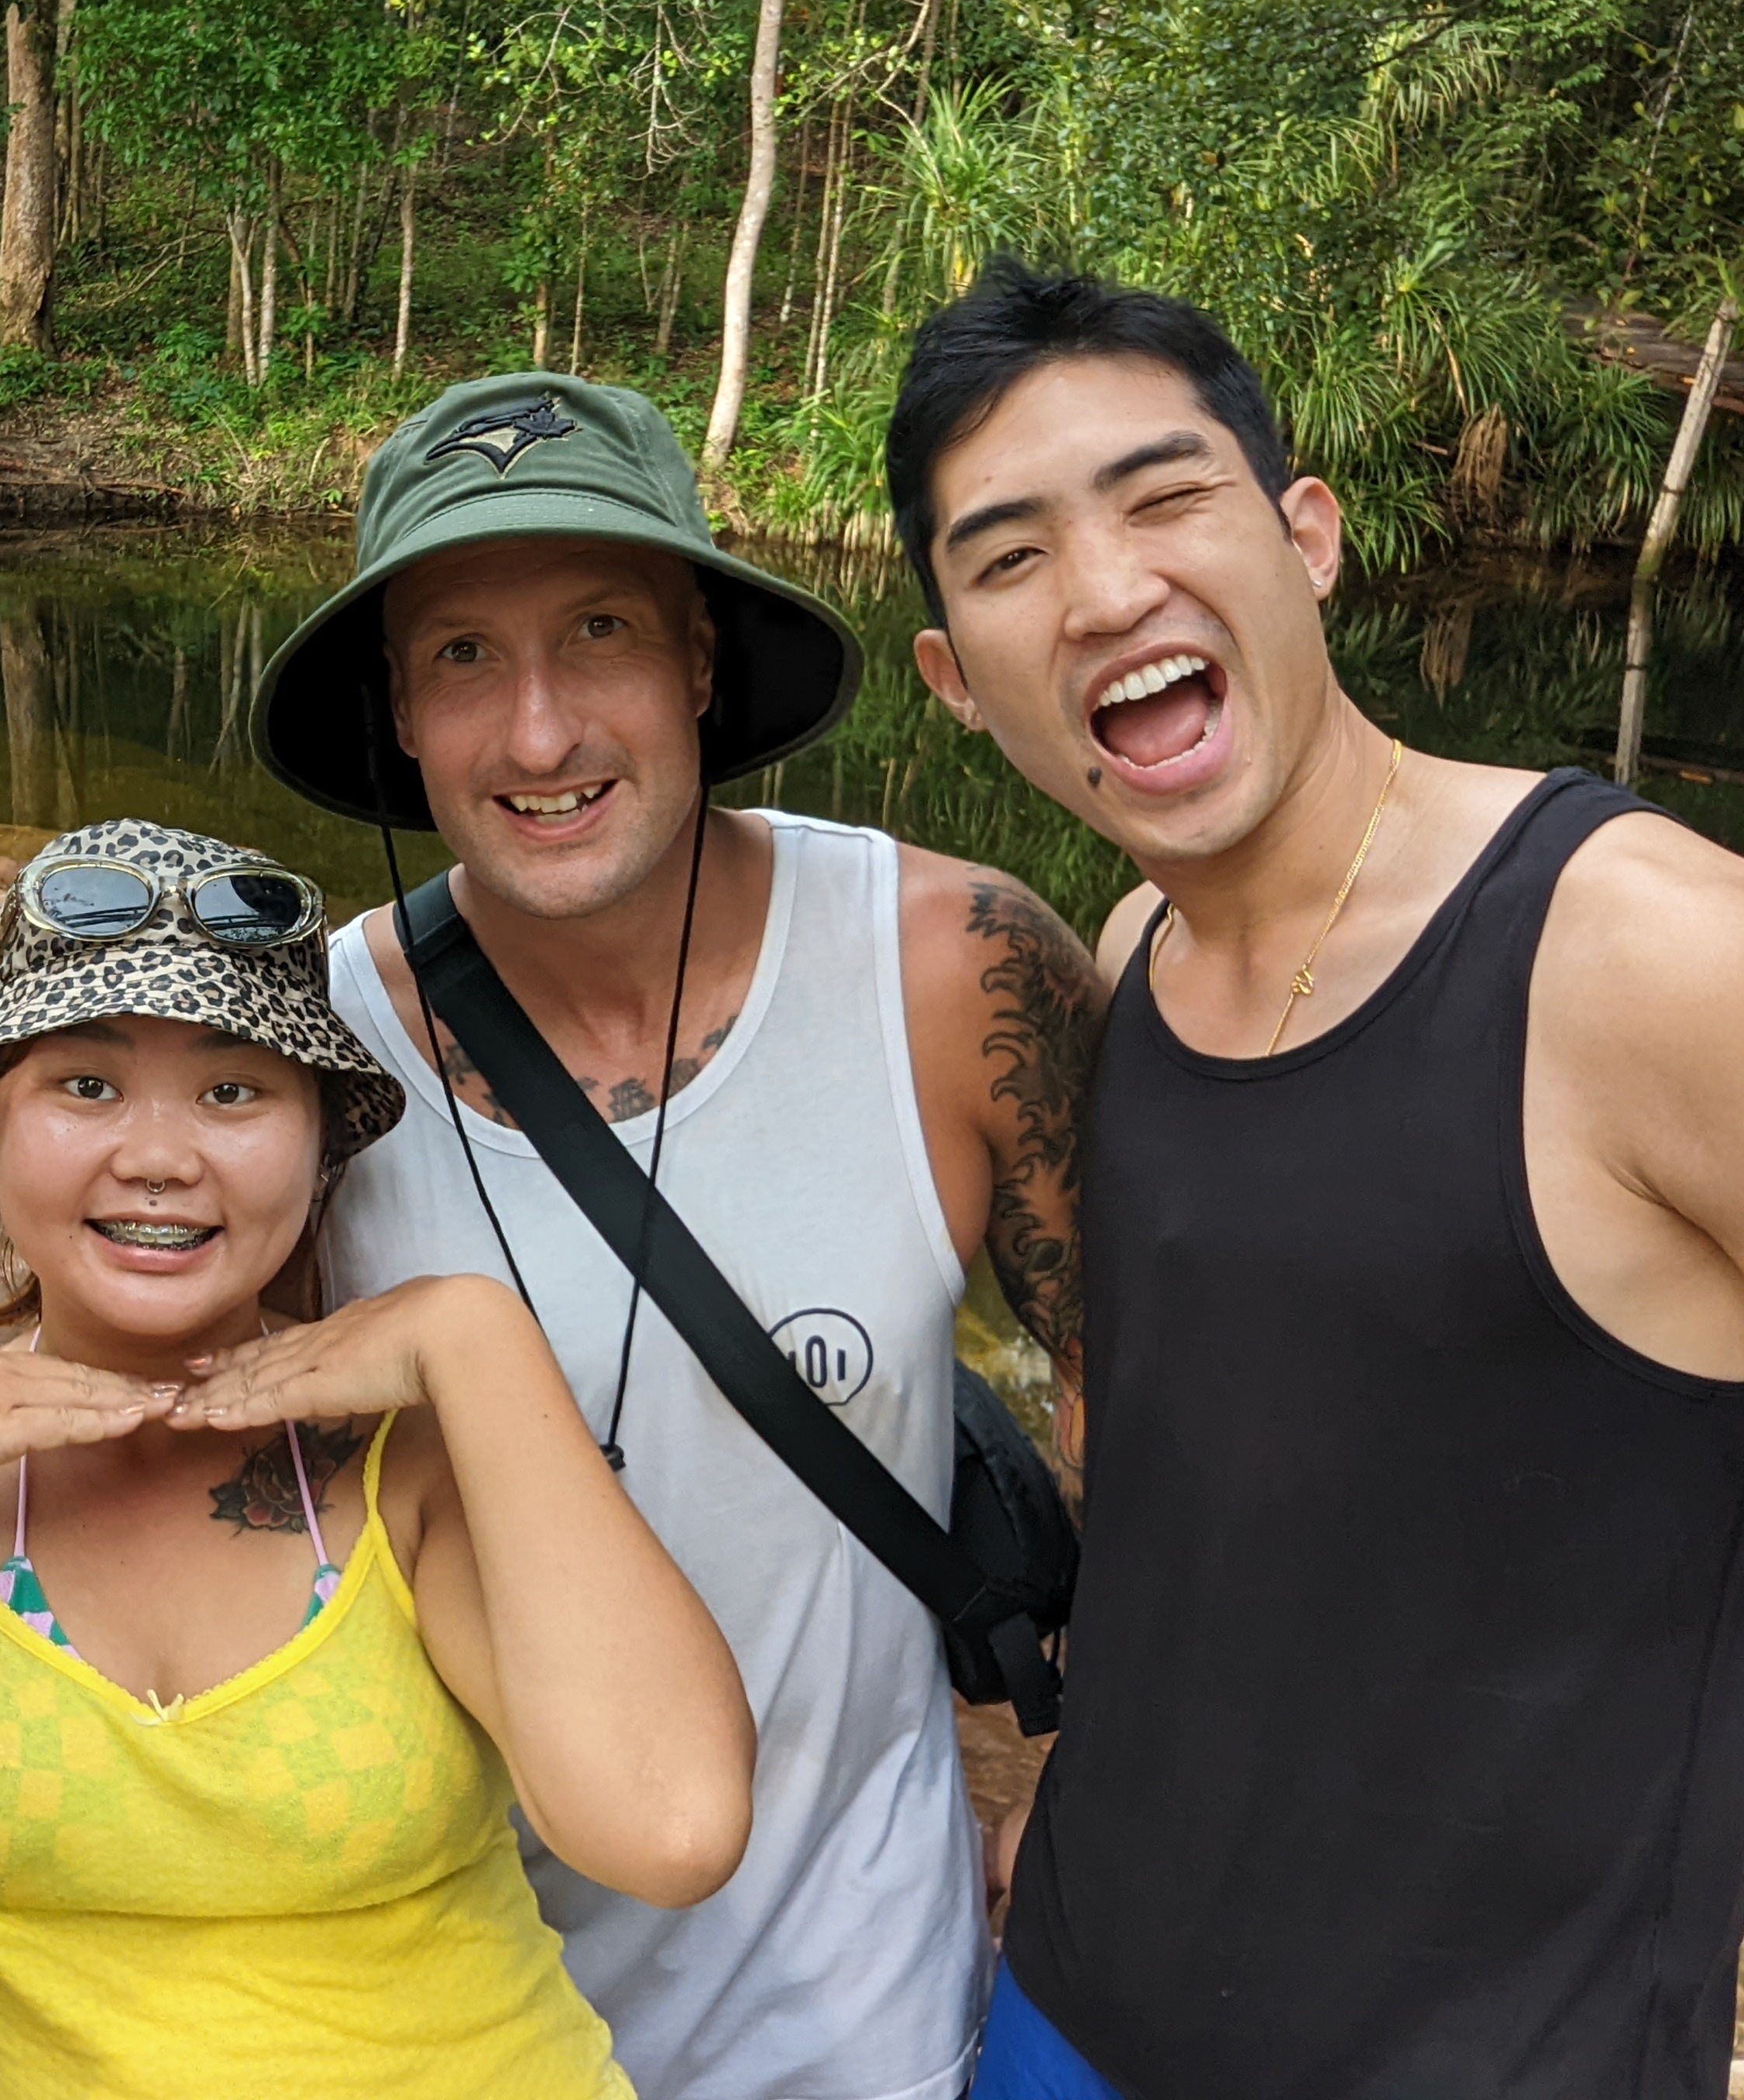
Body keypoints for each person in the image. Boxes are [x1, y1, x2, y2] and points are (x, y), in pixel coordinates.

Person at [893, 258, 1744, 2100]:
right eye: (1013, 553)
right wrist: (1056, 1788)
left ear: (1310, 537)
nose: (1111, 589)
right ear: (956, 683)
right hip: (1069, 2007)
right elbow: (1160, 1471)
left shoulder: (1652, 959)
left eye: (1163, 497)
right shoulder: (1129, 957)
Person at [249, 371, 1107, 2100]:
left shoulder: (952, 969)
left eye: (601, 633)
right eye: (463, 658)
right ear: (400, 715)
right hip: (436, 2030)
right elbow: (194, 1515)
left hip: (857, 2022)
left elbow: (1158, 1430)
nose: (542, 732)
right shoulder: (298, 1060)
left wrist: (1098, 1809)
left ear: (702, 662)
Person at [0, 817, 757, 2098]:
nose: (158, 1156)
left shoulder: (407, 1465)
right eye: (85, 1085)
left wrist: (479, 1341)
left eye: (234, 1090)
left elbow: (675, 1828)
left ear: (320, 1152)